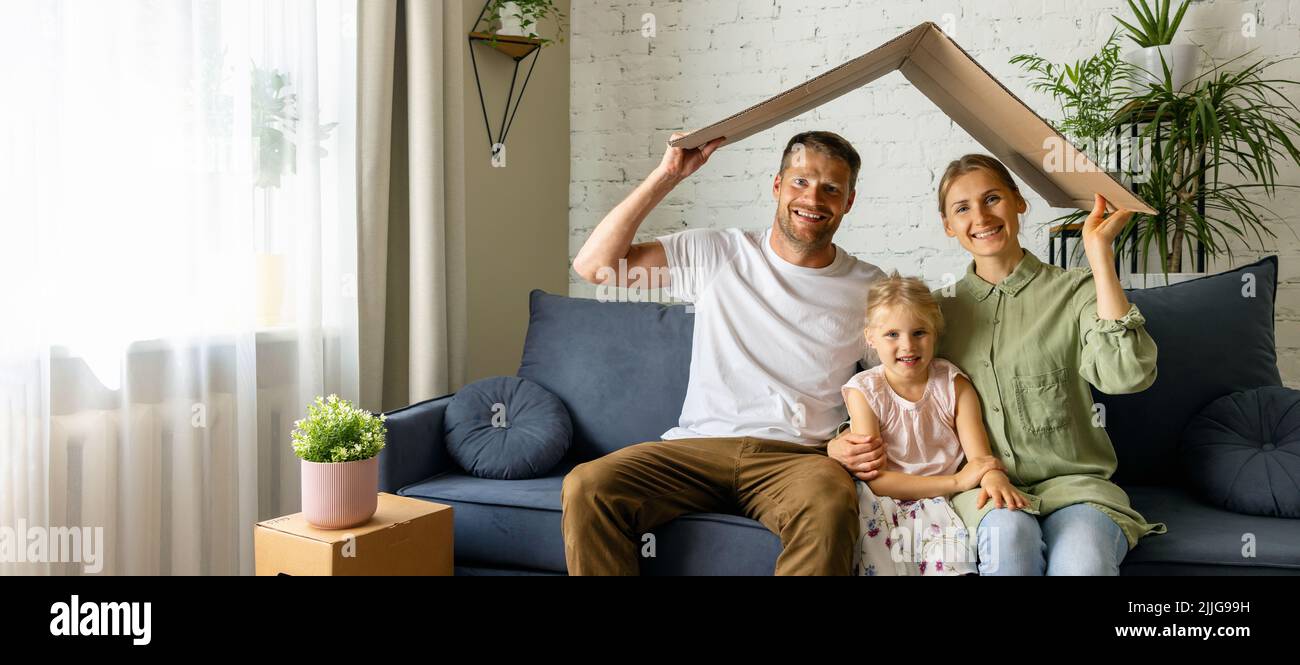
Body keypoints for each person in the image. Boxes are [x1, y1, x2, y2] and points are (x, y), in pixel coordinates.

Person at [562, 130, 887, 575]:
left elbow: (889, 385)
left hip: (799, 458)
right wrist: (667, 175)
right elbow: (593, 267)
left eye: (832, 188)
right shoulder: (718, 252)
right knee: (588, 484)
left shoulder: (870, 287)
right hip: (697, 449)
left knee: (830, 502)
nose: (814, 197)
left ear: (849, 202)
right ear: (777, 186)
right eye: (801, 181)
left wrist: (851, 437)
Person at [934, 153, 1166, 576]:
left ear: (1019, 202)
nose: (981, 216)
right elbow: (897, 390)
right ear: (949, 226)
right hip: (984, 489)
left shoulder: (1076, 290)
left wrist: (1099, 256)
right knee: (1010, 547)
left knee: (1084, 566)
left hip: (1077, 489)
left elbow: (1127, 375)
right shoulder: (937, 312)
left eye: (992, 198)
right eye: (962, 208)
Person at [843, 272, 1026, 576]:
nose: (907, 346)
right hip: (884, 505)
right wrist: (955, 482)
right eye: (892, 334)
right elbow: (876, 478)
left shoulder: (953, 384)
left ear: (936, 333)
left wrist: (994, 478)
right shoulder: (865, 391)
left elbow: (980, 459)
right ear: (870, 337)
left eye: (919, 333)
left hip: (944, 509)